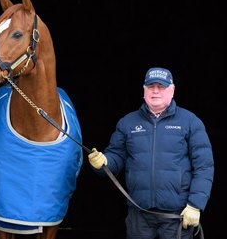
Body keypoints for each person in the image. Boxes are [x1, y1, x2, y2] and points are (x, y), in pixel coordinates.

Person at [88, 67, 214, 239]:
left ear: (172, 90)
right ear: (144, 90)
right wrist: (103, 162)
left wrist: (195, 205)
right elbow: (116, 158)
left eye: (161, 86)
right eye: (150, 86)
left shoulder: (190, 122)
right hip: (139, 214)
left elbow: (204, 167)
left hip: (177, 215)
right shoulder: (127, 123)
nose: (155, 91)